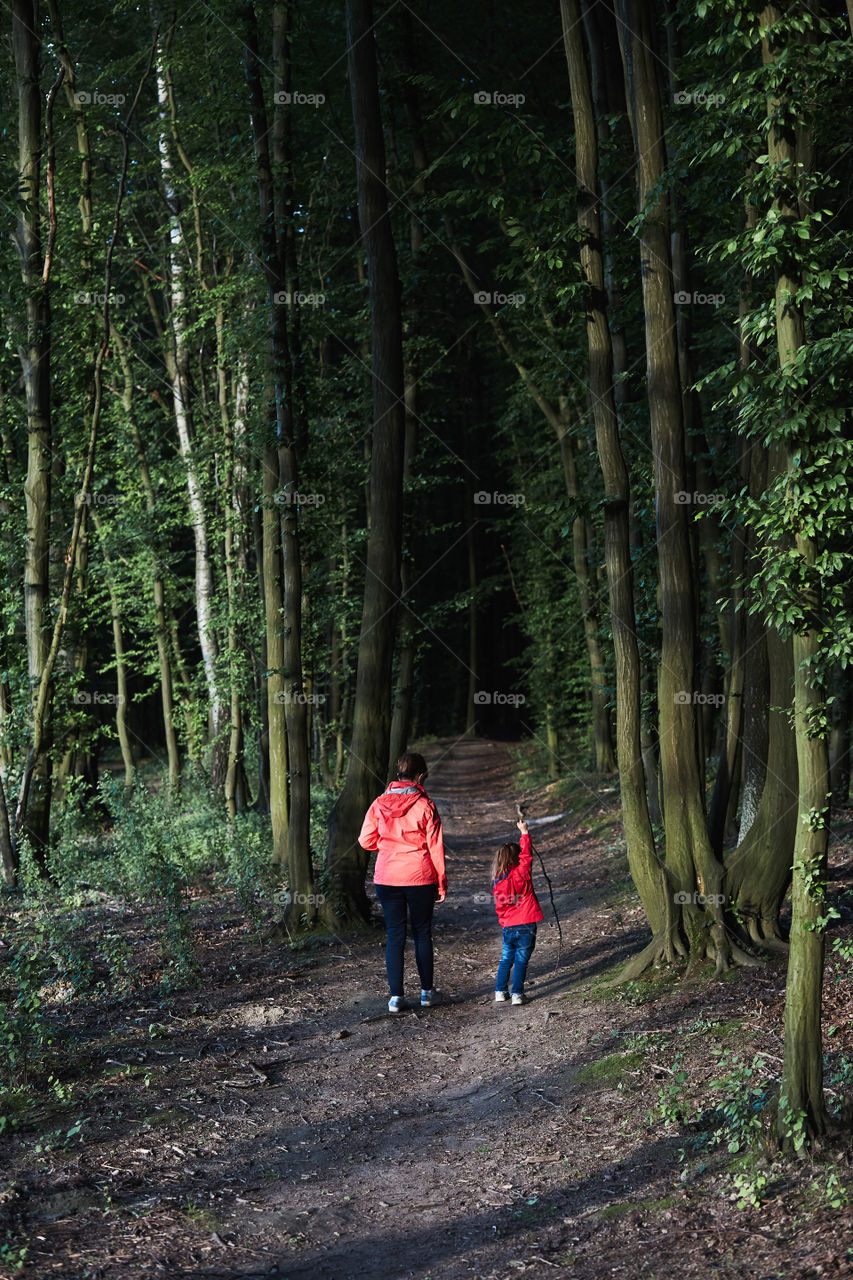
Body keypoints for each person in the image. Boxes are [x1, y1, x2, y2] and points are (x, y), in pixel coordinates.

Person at [359, 751, 447, 1015]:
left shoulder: (378, 803)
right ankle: (427, 993)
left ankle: (396, 998)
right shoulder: (425, 805)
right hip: (419, 877)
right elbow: (436, 848)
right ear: (420, 776)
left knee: (395, 935)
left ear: (399, 774)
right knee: (422, 933)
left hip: (387, 878)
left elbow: (365, 840)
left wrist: (386, 848)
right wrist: (441, 883)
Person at [491, 818, 543, 1005]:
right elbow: (527, 855)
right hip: (526, 923)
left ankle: (500, 991)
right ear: (517, 858)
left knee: (506, 959)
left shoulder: (498, 882)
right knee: (521, 961)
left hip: (509, 927)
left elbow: (500, 907)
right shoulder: (523, 872)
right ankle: (517, 994)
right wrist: (524, 832)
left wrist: (504, 921)